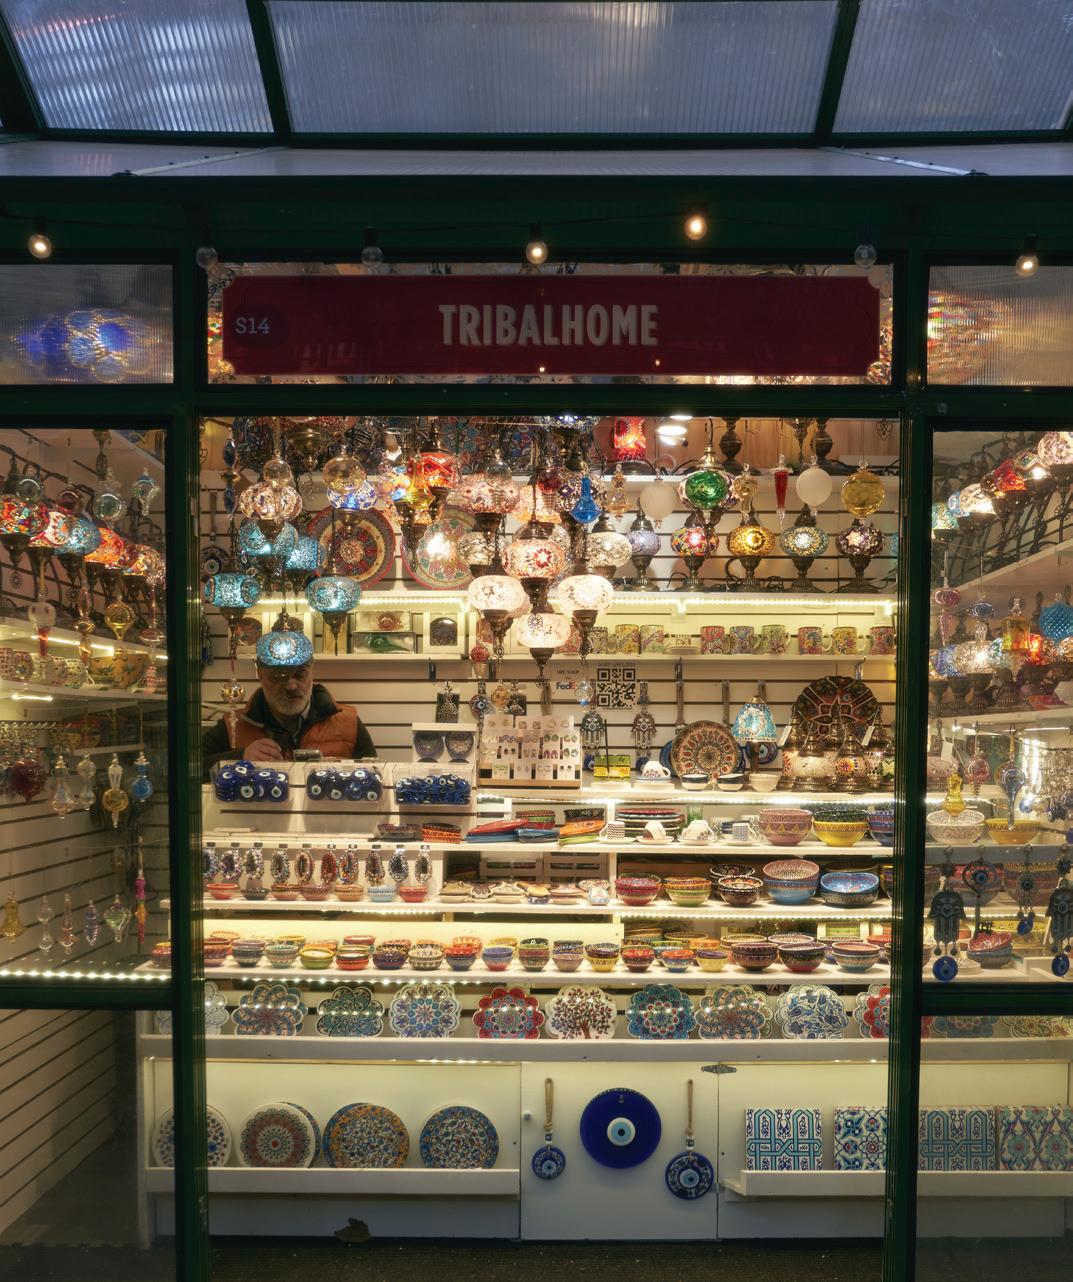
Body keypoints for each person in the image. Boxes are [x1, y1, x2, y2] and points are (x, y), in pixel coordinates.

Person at [202, 650, 375, 778]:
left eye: (300, 674)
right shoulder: (234, 725)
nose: (291, 686)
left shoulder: (348, 722)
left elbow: (375, 777)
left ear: (312, 671)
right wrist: (240, 758)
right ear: (260, 675)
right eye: (277, 677)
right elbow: (192, 769)